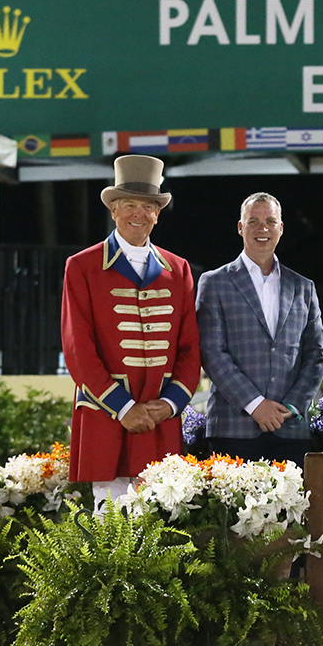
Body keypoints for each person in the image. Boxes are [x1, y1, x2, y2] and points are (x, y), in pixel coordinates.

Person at [61, 156, 199, 507]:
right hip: (108, 416)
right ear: (113, 211)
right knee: (110, 523)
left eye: (148, 206)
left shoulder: (178, 269)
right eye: (130, 205)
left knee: (161, 520)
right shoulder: (82, 266)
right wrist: (122, 407)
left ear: (157, 213)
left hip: (159, 417)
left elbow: (189, 348)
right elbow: (78, 347)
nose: (139, 214)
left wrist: (169, 404)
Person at [195, 193, 323, 468]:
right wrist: (255, 404)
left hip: (290, 430)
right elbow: (211, 352)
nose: (262, 228)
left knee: (296, 512)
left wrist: (291, 406)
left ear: (281, 228)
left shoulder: (303, 287)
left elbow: (316, 355)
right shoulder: (214, 283)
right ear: (240, 227)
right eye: (253, 221)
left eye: (269, 221)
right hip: (232, 430)